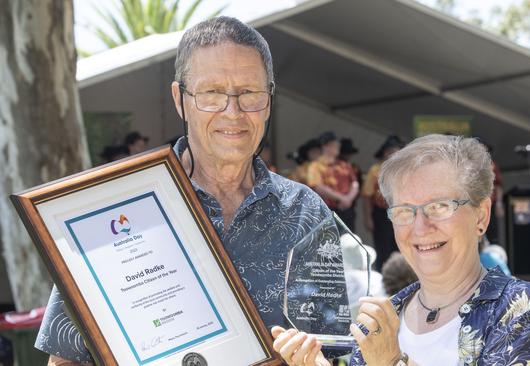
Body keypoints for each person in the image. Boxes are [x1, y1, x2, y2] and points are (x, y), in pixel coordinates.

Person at [35, 16, 337, 365]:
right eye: (211, 93)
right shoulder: (111, 209)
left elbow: (331, 350)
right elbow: (66, 358)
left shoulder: (306, 212)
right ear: (180, 99)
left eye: (249, 93)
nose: (232, 112)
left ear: (268, 100)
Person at [272, 134, 530, 366]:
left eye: (439, 207)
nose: (421, 227)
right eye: (405, 211)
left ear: (481, 216)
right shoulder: (387, 316)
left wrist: (392, 363)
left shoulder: (520, 307)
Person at [362, 135, 404, 271]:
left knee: (401, 245)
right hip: (382, 214)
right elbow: (367, 195)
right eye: (390, 150)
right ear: (385, 152)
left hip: (402, 212)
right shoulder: (375, 170)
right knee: (383, 247)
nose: (393, 153)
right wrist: (368, 217)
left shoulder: (404, 169)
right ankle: (383, 277)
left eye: (395, 149)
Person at [307, 131, 359, 231]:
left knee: (350, 239)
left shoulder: (344, 165)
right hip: (328, 210)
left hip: (347, 209)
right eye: (334, 145)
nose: (338, 147)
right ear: (326, 147)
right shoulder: (316, 166)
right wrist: (342, 198)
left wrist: (349, 198)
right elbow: (318, 187)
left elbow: (355, 183)